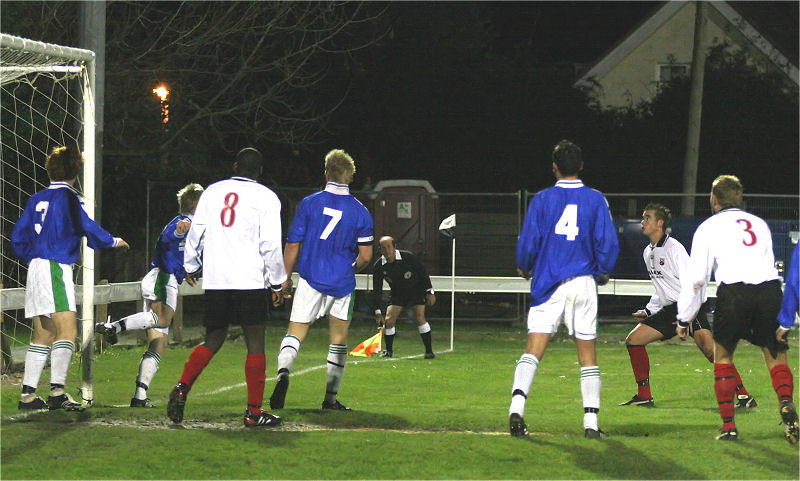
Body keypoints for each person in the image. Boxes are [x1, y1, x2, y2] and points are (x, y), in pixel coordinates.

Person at [166, 147, 287, 428]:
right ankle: (254, 412)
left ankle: (183, 387)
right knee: (255, 342)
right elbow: (270, 244)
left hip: (219, 279)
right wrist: (278, 281)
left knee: (213, 339)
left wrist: (191, 265)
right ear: (260, 172)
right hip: (250, 280)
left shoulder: (213, 191)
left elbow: (197, 231)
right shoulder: (267, 197)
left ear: (234, 166)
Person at [508, 140, 619, 439]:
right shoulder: (596, 199)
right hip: (583, 281)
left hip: (548, 281)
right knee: (587, 354)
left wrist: (524, 264)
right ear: (581, 166)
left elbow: (529, 240)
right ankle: (591, 424)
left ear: (554, 167)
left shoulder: (543, 199)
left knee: (534, 348)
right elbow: (606, 243)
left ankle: (517, 407)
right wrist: (604, 270)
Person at [677, 175, 797, 443]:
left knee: (723, 357)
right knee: (775, 355)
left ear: (714, 199)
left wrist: (684, 318)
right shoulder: (759, 224)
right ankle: (786, 401)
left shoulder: (708, 227)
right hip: (768, 291)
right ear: (739, 199)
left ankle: (729, 426)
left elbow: (697, 279)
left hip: (733, 292)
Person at [11, 146, 130, 411]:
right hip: (54, 267)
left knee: (44, 333)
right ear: (77, 170)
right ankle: (57, 393)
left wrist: (36, 256)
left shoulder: (37, 198)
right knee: (69, 331)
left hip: (37, 268)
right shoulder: (70, 198)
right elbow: (87, 226)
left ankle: (28, 397)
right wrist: (113, 241)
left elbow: (17, 238)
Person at [620, 203, 755, 408]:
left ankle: (744, 396)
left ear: (660, 223)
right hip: (669, 310)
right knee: (634, 341)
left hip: (687, 307)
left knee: (711, 351)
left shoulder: (674, 248)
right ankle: (644, 396)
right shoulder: (648, 252)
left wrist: (687, 314)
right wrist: (648, 310)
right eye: (643, 218)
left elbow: (693, 282)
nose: (643, 222)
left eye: (647, 218)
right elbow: (661, 287)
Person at [268, 149, 373, 411]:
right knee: (338, 340)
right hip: (342, 283)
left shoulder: (309, 203)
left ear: (326, 173)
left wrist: (284, 279)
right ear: (350, 177)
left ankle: (283, 373)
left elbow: (292, 245)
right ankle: (330, 399)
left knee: (295, 333)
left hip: (310, 278)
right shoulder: (361, 211)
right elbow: (366, 255)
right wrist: (351, 267)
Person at [94, 183, 204, 408]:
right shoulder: (185, 223)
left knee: (159, 342)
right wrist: (174, 268)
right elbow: (169, 242)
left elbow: (180, 249)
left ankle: (140, 396)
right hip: (163, 278)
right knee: (163, 320)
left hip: (166, 276)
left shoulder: (187, 223)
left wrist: (186, 270)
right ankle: (113, 327)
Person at [372, 236, 436, 358]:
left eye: (389, 247)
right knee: (389, 320)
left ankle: (429, 351)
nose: (386, 251)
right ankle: (388, 351)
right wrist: (377, 311)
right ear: (380, 250)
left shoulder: (408, 257)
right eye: (383, 248)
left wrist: (430, 292)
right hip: (397, 293)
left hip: (416, 290)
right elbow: (377, 290)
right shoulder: (378, 266)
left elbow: (423, 273)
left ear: (394, 247)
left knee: (420, 317)